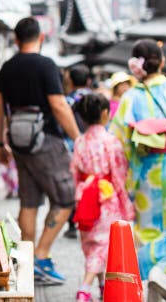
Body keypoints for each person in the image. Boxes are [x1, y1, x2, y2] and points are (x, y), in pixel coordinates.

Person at [0, 17, 81, 286]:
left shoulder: (6, 68)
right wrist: (79, 139)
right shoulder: (46, 65)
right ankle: (40, 257)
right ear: (40, 38)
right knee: (67, 198)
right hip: (47, 142)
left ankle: (26, 261)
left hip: (20, 145)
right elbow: (59, 105)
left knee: (29, 202)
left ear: (17, 40)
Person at [109, 39, 166, 298]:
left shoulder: (129, 99)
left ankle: (149, 280)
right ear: (162, 62)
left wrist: (126, 180)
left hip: (145, 175)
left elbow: (118, 144)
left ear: (136, 67)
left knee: (148, 231)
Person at [70, 93, 134, 302]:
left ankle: (101, 286)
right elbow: (119, 172)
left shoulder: (79, 141)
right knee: (102, 246)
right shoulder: (110, 141)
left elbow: (75, 171)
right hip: (106, 198)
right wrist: (124, 200)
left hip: (85, 194)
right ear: (105, 113)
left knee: (91, 244)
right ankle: (84, 289)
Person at [63, 63, 93, 239]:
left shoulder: (67, 101)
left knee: (75, 184)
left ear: (71, 82)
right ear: (88, 80)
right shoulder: (96, 98)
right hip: (93, 146)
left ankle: (73, 223)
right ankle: (90, 217)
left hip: (71, 146)